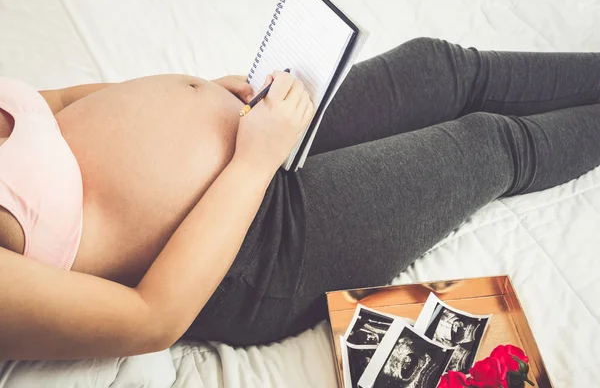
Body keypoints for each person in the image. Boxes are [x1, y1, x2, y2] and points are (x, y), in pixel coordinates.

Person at [1, 37, 599, 360]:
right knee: (487, 145)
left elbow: (52, 103)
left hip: (252, 135)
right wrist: (253, 160)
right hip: (253, 250)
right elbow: (149, 320)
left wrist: (198, 93)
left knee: (437, 67)